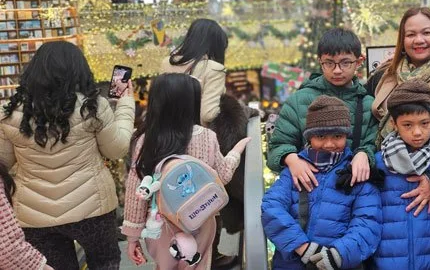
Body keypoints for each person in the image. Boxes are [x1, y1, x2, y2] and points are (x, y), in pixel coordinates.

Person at [0, 41, 135, 269]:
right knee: (105, 264)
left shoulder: (10, 113)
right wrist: (125, 104)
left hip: (35, 215)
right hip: (93, 208)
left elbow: (3, 164)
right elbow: (116, 149)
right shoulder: (92, 107)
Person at [122, 73, 249, 269]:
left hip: (161, 224)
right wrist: (235, 152)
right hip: (200, 218)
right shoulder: (207, 137)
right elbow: (222, 177)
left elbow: (135, 191)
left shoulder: (146, 140)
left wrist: (132, 238)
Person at [365, 7, 430, 215]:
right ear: (402, 40)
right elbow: (366, 126)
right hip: (381, 184)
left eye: (426, 33)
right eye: (411, 34)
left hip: (429, 186)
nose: (419, 40)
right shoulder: (383, 76)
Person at [262, 96, 381, 270]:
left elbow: (368, 222)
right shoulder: (294, 172)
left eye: (338, 136)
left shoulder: (355, 173)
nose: (329, 144)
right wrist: (303, 248)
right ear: (309, 137)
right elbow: (271, 207)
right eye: (320, 136)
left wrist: (337, 255)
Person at [268, 28, 378, 192]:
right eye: (329, 63)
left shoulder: (369, 104)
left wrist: (365, 154)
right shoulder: (299, 101)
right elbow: (277, 147)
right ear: (320, 61)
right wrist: (291, 159)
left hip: (353, 191)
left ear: (359, 61)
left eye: (345, 62)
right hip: (309, 189)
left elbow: (375, 144)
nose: (337, 70)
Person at [372, 80, 430, 270]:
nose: (417, 132)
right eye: (407, 125)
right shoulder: (379, 164)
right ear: (394, 124)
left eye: (424, 123)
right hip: (387, 261)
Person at [161, 18, 228, 126]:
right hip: (196, 136)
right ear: (216, 45)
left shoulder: (167, 63)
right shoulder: (214, 69)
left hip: (165, 132)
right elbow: (208, 114)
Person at [0, 162, 53, 270]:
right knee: (97, 260)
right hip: (85, 206)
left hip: (33, 209)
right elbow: (6, 248)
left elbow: (7, 156)